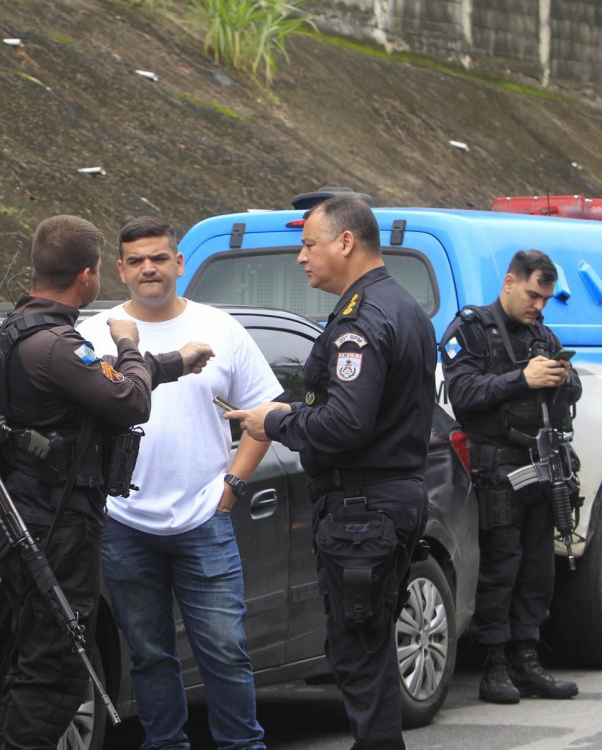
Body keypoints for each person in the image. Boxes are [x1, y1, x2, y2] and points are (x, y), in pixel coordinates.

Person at [0, 215, 213, 750]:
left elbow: (98, 383)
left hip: (27, 521)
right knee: (57, 669)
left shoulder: (13, 333)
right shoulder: (58, 343)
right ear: (87, 276)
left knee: (32, 659)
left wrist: (173, 362)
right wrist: (128, 341)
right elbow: (129, 398)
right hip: (59, 528)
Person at [225, 195, 436, 750]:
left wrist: (276, 420)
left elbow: (345, 425)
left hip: (363, 510)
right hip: (387, 500)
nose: (300, 257)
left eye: (308, 244)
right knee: (368, 649)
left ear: (346, 242)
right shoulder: (403, 305)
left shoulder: (360, 320)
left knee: (358, 656)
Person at [76, 216, 280, 750]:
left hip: (203, 518)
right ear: (120, 269)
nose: (149, 268)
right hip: (123, 523)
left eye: (159, 258)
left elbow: (266, 412)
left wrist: (232, 484)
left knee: (225, 650)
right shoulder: (94, 334)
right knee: (148, 655)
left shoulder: (221, 328)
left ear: (179, 262)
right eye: (137, 261)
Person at [439, 249, 581, 705]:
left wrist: (561, 376)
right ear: (509, 282)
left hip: (543, 466)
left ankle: (527, 658)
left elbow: (575, 388)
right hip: (496, 467)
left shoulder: (542, 334)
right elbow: (463, 393)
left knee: (538, 570)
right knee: (501, 566)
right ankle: (494, 663)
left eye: (546, 299)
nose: (539, 305)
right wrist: (523, 378)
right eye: (533, 295)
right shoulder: (471, 329)